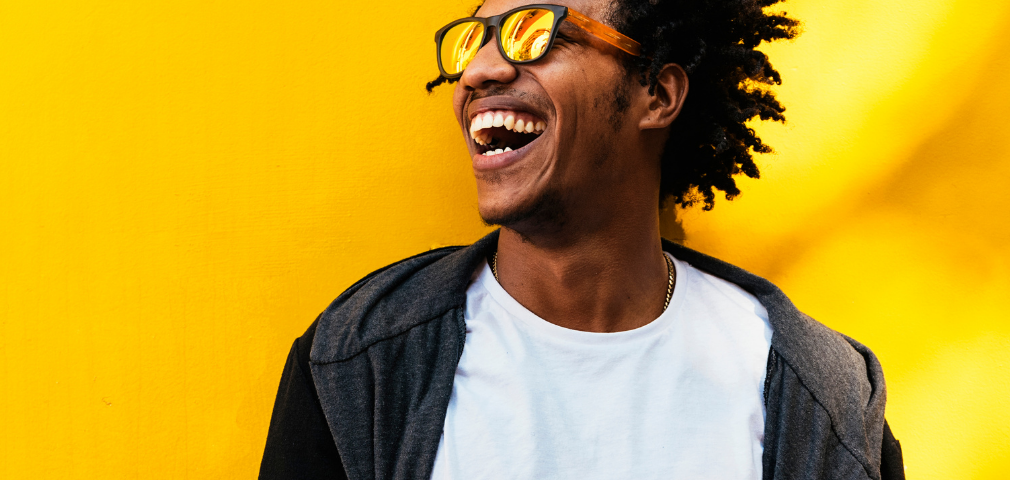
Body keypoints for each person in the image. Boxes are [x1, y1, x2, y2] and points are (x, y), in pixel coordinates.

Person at [260, 0, 906, 478]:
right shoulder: (357, 363)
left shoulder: (817, 396)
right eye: (473, 43)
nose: (478, 72)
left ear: (656, 93)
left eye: (535, 34)